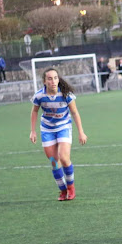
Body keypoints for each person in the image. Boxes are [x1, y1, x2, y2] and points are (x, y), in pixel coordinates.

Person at [30, 68, 88, 200]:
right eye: (49, 79)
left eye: (55, 78)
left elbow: (74, 112)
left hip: (63, 127)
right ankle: (62, 190)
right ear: (45, 82)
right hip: (47, 129)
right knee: (54, 162)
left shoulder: (66, 94)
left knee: (64, 158)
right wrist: (33, 131)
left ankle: (70, 188)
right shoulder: (39, 96)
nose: (53, 81)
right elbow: (34, 112)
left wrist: (81, 132)